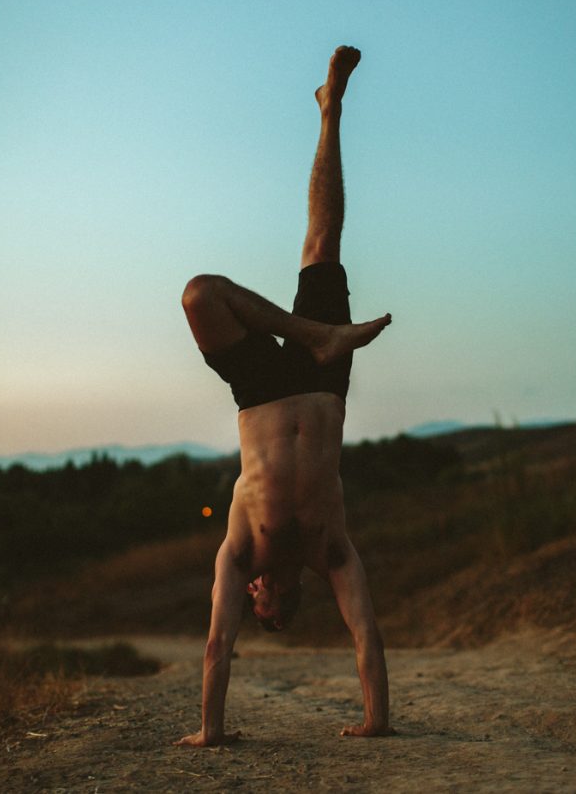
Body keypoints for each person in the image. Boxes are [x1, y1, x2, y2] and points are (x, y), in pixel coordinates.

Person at [175, 46, 393, 747]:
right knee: (322, 239)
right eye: (263, 611)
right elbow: (367, 633)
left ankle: (313, 332)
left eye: (253, 610)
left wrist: (211, 732)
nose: (251, 600)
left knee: (200, 295)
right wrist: (375, 722)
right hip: (324, 389)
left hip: (261, 394)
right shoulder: (330, 550)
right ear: (280, 597)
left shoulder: (239, 549)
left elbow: (215, 649)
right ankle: (331, 112)